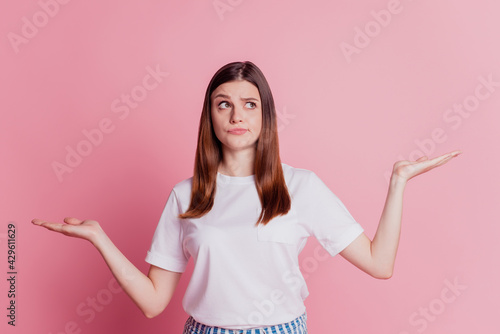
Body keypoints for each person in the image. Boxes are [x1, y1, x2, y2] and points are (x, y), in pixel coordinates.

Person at [32, 61, 461, 333]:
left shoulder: (302, 187)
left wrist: (398, 183)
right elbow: (152, 303)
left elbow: (379, 264)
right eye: (223, 104)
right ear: (210, 117)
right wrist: (98, 238)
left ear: (265, 115)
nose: (237, 115)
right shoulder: (187, 196)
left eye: (250, 104)